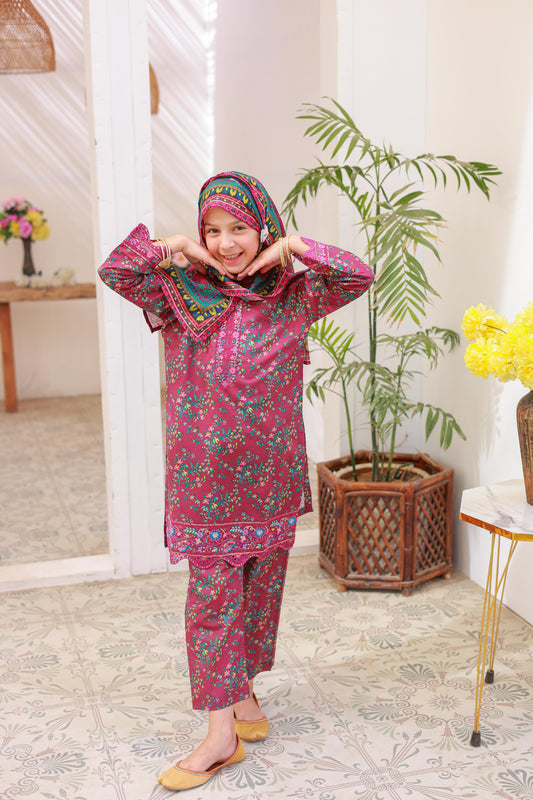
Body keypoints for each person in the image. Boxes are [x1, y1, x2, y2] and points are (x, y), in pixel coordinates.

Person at [98, 171, 373, 791]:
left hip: (271, 477)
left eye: (240, 229)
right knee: (213, 602)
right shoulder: (178, 292)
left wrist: (294, 247)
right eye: (213, 230)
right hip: (205, 482)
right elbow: (117, 271)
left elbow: (358, 274)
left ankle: (244, 692)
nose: (226, 244)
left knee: (259, 589)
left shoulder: (294, 294)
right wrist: (175, 247)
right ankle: (221, 736)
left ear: (262, 228)